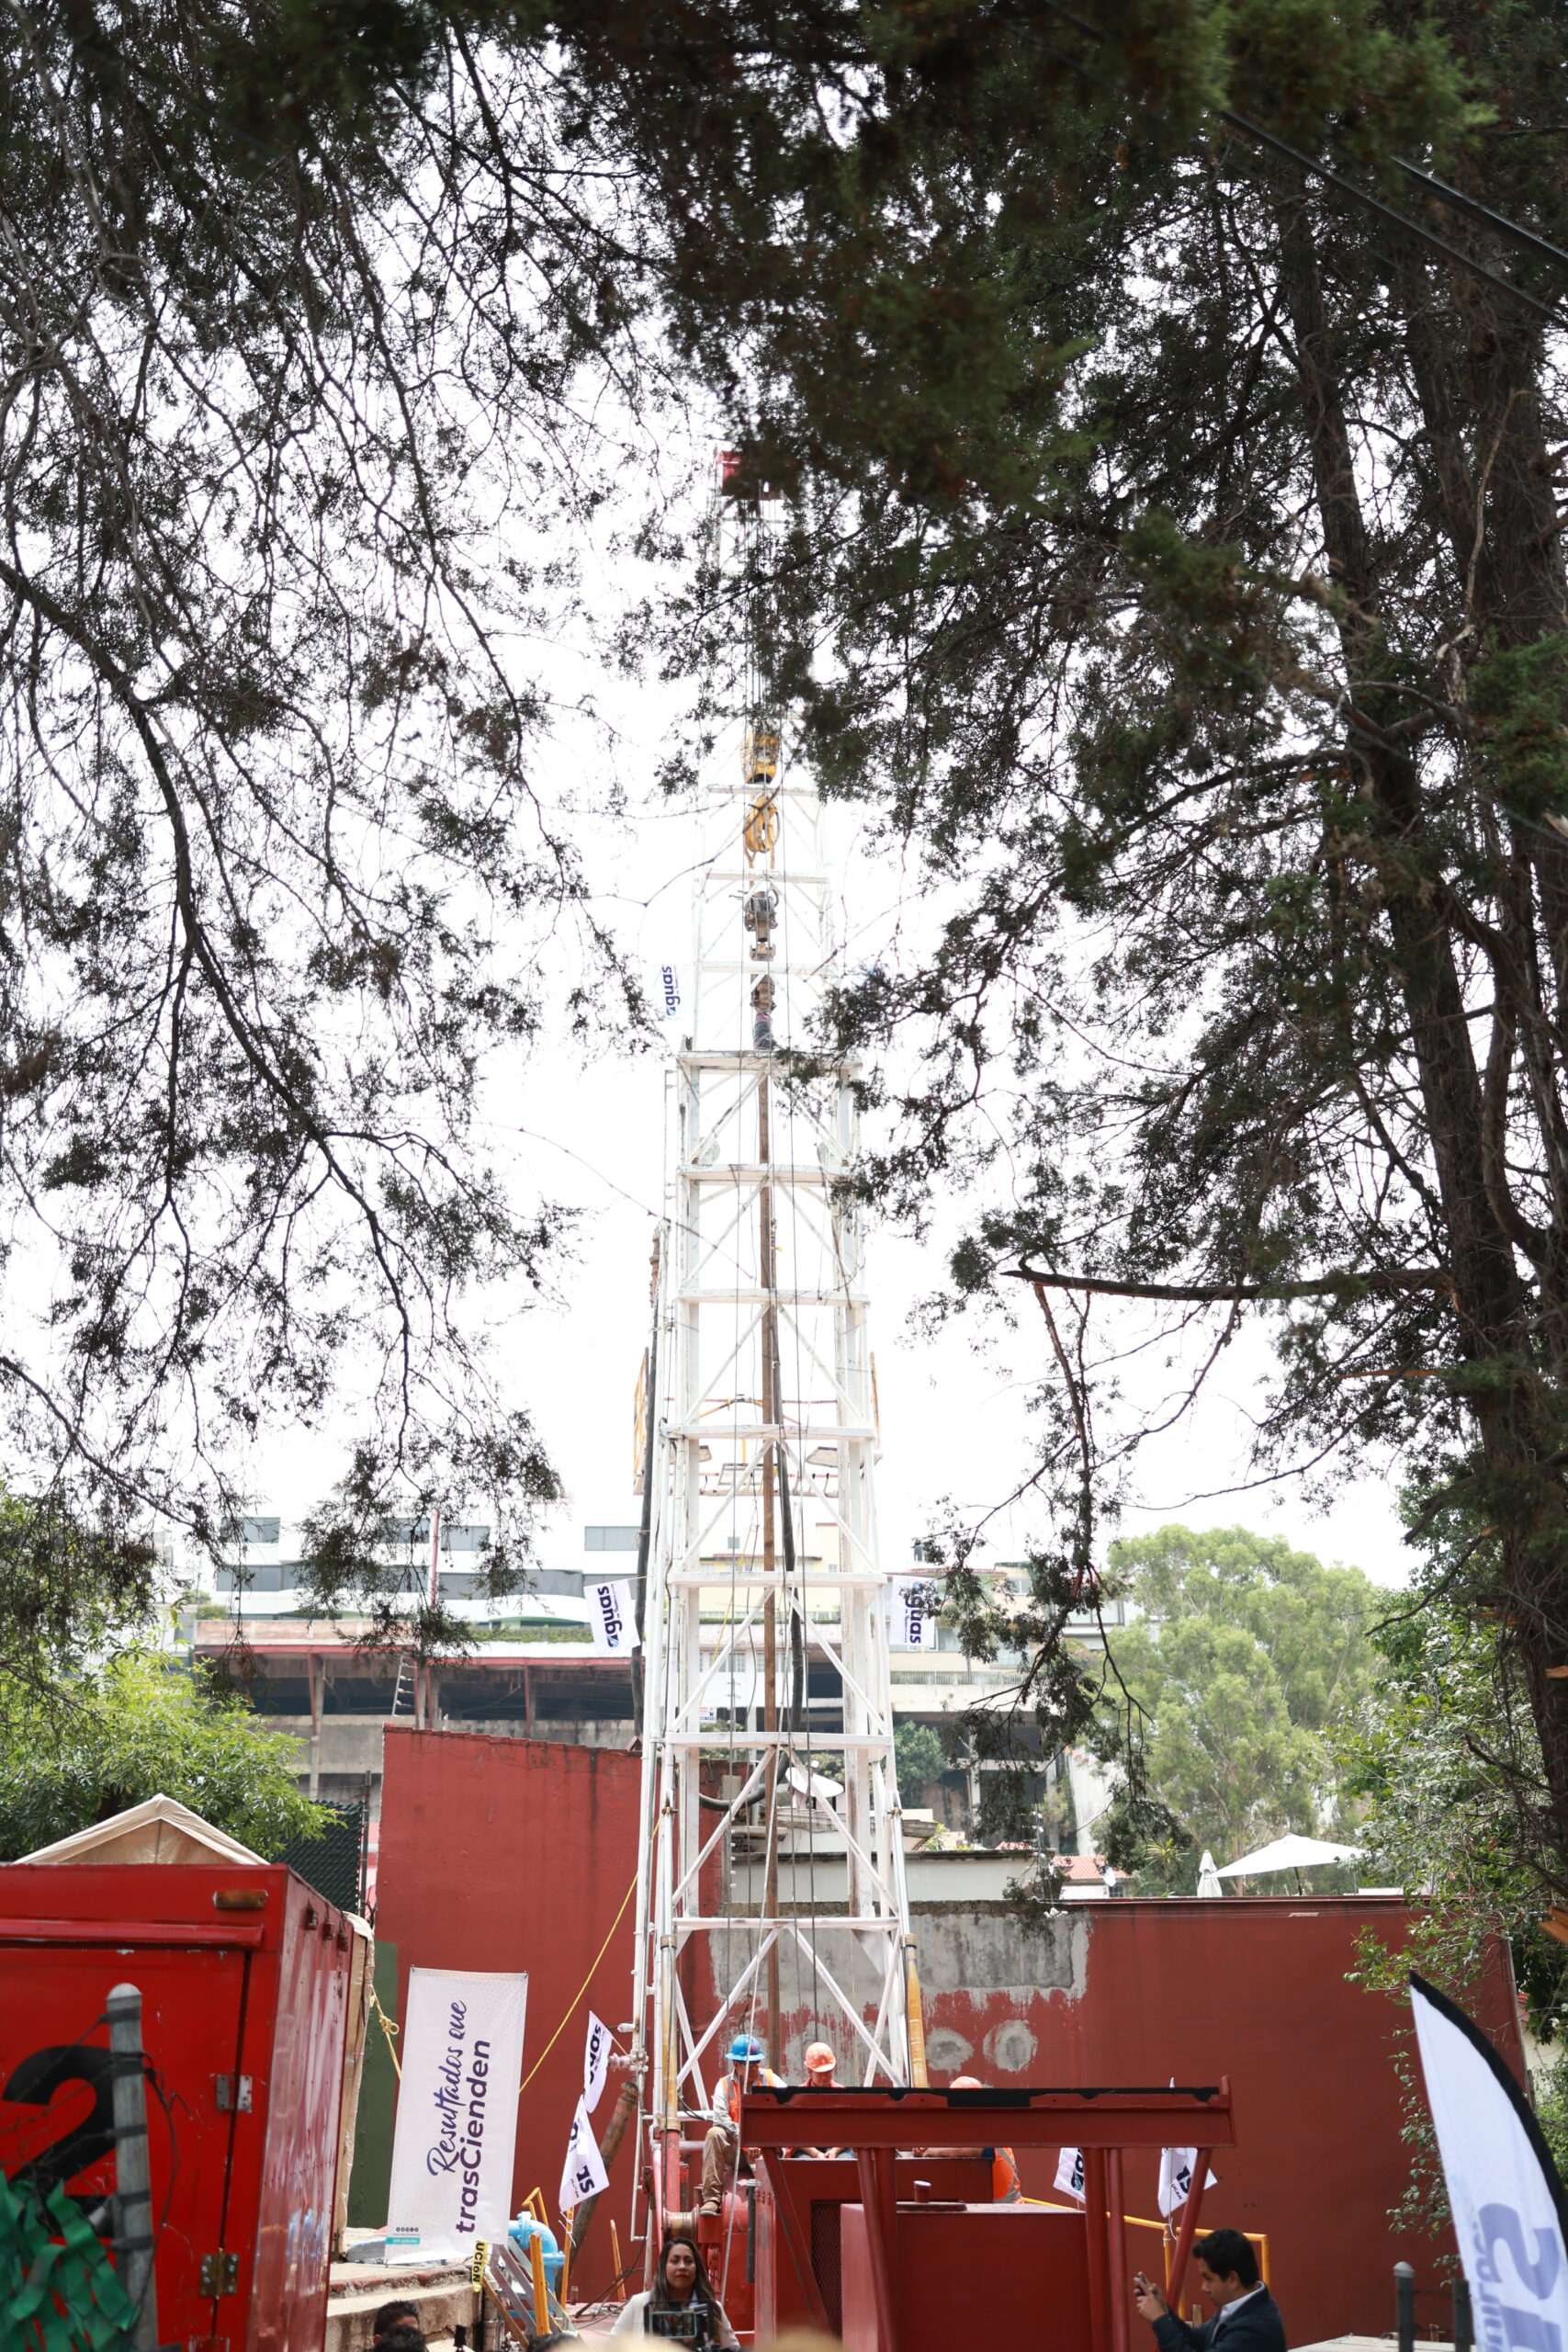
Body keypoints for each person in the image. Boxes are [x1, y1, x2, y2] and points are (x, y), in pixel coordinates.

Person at [1134, 2227, 1286, 2352]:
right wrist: (1165, 2312)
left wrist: (1160, 2321)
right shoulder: (1243, 2306)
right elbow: (1198, 2340)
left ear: (1232, 2279)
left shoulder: (1253, 2331)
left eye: (1208, 2279)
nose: (1204, 2287)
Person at [611, 2232, 739, 2346]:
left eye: (688, 2261)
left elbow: (734, 2349)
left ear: (697, 2269)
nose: (682, 2266)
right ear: (663, 2267)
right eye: (675, 2261)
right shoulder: (638, 2304)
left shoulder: (713, 2308)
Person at [700, 2033, 780, 2213]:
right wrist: (747, 2137)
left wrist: (761, 2141)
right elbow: (720, 2119)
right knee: (714, 2134)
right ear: (736, 2064)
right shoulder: (724, 2085)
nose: (755, 2067)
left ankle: (778, 2194)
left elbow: (788, 2108)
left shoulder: (771, 2079)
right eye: (750, 2064)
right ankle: (711, 2199)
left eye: (757, 2062)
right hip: (735, 2149)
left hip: (763, 2147)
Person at [947, 2075, 1021, 2202]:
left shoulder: (989, 2131)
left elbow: (974, 2151)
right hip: (992, 2213)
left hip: (1007, 2215)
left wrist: (934, 2150)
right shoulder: (969, 2132)